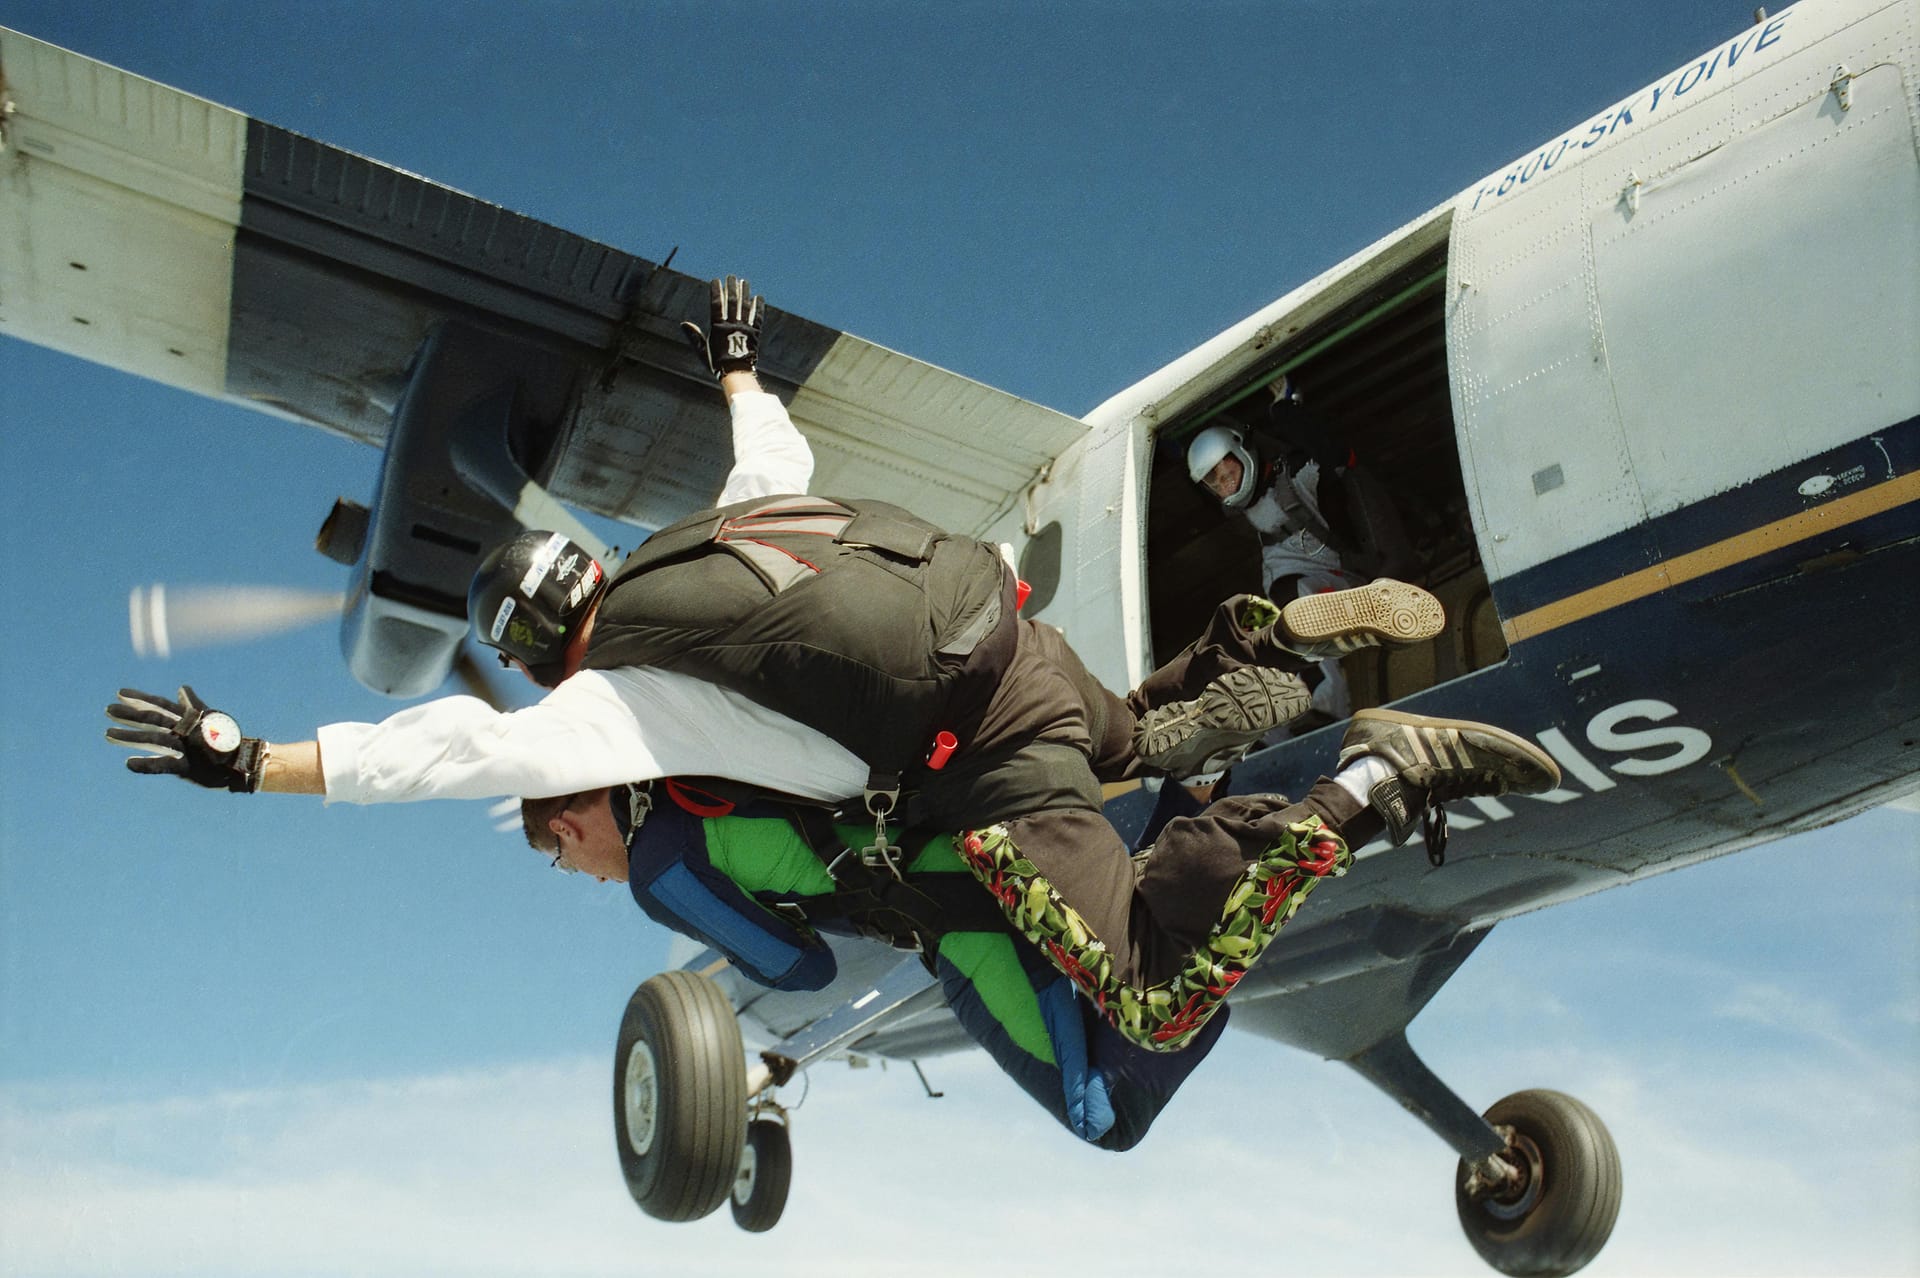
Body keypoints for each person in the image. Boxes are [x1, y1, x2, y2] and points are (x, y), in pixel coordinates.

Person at [106, 275, 1533, 1062]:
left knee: (1152, 987)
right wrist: (734, 358)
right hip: (1018, 646)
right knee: (1144, 743)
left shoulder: (616, 702)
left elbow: (449, 751)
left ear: (550, 661)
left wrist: (258, 761)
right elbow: (773, 451)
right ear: (591, 573)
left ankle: (1360, 779)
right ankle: (1268, 638)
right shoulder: (715, 536)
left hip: (975, 766)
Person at [520, 704, 1559, 1151]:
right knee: (1164, 997)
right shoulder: (711, 747)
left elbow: (798, 969)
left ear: (569, 817)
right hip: (1010, 815)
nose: (582, 869)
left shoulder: (658, 868)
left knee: (1105, 1107)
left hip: (974, 920)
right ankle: (1193, 837)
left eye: (563, 857)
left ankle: (1351, 789)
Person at [1185, 376, 1430, 725]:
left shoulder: (1295, 475)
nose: (1227, 485)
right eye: (1217, 483)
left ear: (1242, 454)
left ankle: (1326, 711)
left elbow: (1337, 456)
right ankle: (1274, 734)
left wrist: (1287, 412)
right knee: (1246, 632)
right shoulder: (1242, 512)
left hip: (1338, 584)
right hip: (1293, 595)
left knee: (1298, 609)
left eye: (1230, 472)